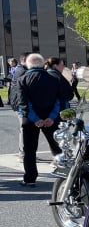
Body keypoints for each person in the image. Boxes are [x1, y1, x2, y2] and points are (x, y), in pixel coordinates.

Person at [16, 53, 63, 186]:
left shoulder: (22, 79)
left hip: (30, 120)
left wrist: (35, 119)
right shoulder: (53, 79)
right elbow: (58, 101)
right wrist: (51, 117)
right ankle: (66, 176)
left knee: (29, 150)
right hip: (50, 118)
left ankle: (30, 178)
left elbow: (24, 103)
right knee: (57, 146)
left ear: (28, 64)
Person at [9, 53, 30, 162]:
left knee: (25, 129)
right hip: (21, 105)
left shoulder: (20, 70)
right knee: (24, 129)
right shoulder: (22, 71)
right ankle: (23, 154)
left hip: (19, 104)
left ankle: (24, 153)